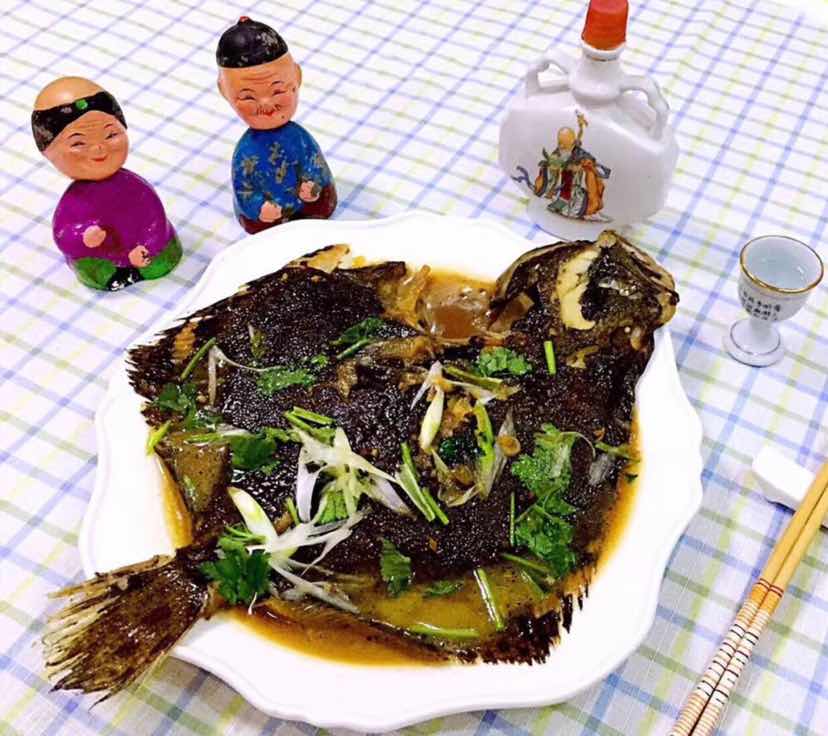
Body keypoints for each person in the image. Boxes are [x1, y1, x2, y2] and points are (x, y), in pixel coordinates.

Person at [32, 77, 181, 290]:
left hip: (141, 248)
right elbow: (64, 235)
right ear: (48, 152)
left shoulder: (135, 187)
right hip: (104, 256)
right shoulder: (75, 201)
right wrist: (84, 237)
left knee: (160, 259)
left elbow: (155, 219)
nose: (98, 149)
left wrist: (147, 246)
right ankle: (112, 275)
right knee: (96, 268)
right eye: (78, 143)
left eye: (111, 135)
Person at [217, 17, 336, 234]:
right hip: (271, 218)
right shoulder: (246, 151)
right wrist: (259, 208)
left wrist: (313, 185)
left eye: (278, 91)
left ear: (297, 77)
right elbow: (244, 189)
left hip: (306, 207)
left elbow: (314, 164)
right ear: (225, 92)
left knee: (320, 206)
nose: (266, 104)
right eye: (248, 97)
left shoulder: (299, 138)